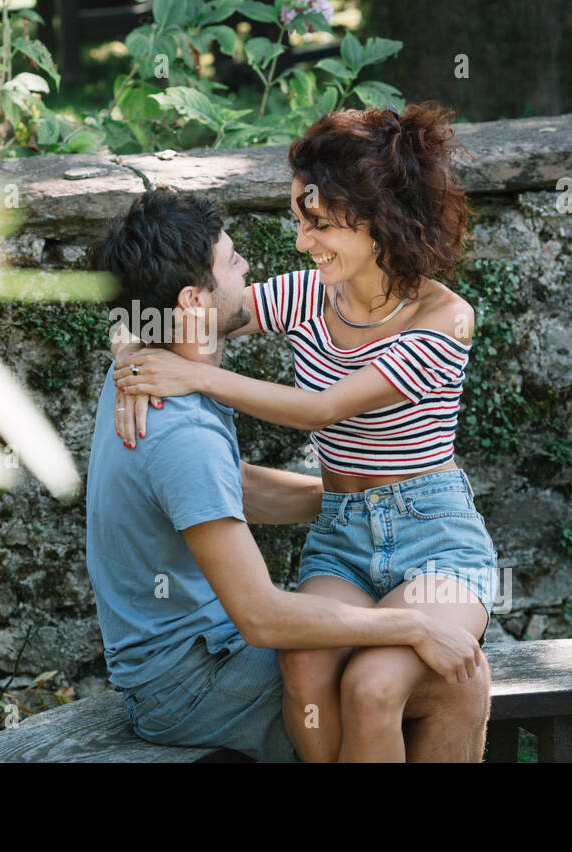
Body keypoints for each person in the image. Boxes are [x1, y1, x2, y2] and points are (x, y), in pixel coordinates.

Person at [112, 104, 498, 762]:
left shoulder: (443, 320)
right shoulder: (305, 294)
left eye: (316, 223)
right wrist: (130, 346)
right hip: (341, 538)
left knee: (375, 687)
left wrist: (195, 379)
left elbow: (324, 408)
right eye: (299, 220)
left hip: (434, 542)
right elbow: (189, 311)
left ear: (378, 217)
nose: (300, 242)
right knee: (305, 666)